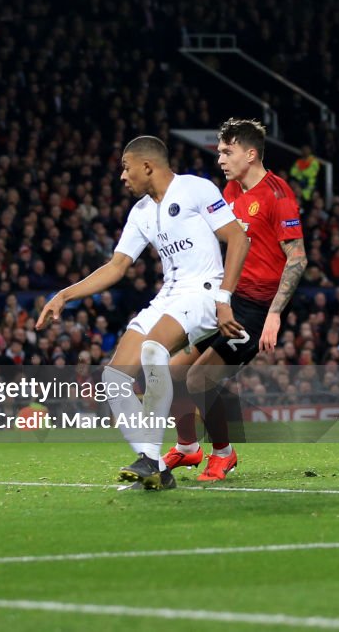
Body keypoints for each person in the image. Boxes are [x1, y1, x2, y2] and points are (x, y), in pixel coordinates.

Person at [36, 137, 249, 490]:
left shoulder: (195, 189)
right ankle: (155, 467)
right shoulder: (140, 213)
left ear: (147, 166)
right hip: (168, 296)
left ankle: (150, 459)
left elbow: (238, 238)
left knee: (154, 351)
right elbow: (117, 266)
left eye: (125, 166)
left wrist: (225, 297)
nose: (122, 176)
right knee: (113, 379)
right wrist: (65, 294)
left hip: (204, 292)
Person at [163, 119, 306, 481]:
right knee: (172, 372)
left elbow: (298, 257)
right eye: (220, 151)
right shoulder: (229, 190)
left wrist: (274, 315)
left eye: (227, 151)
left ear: (251, 153)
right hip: (224, 298)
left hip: (255, 308)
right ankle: (187, 449)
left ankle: (223, 454)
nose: (220, 158)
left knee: (200, 380)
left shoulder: (277, 194)